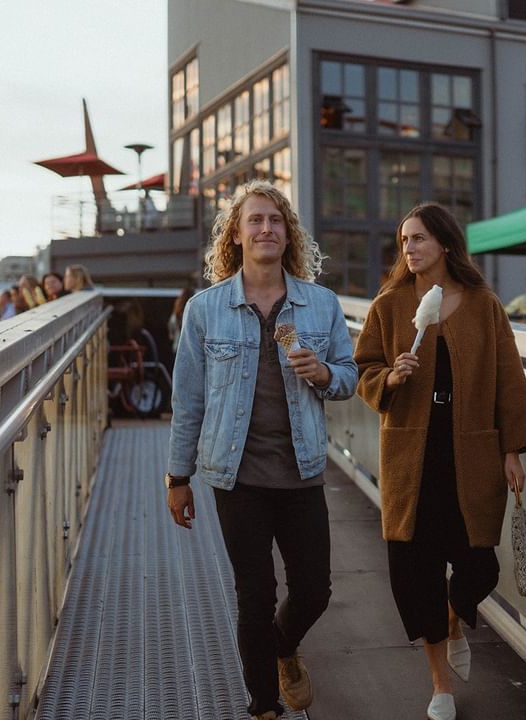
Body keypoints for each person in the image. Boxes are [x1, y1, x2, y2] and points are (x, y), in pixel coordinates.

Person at [165, 180, 357, 720]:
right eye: (255, 220)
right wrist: (177, 477)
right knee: (254, 595)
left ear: (287, 232)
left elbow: (349, 377)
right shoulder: (206, 310)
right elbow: (188, 400)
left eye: (275, 219)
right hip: (237, 477)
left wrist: (323, 372)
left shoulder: (320, 304)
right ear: (237, 233)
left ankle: (282, 647)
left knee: (314, 591)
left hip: (303, 471)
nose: (266, 228)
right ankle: (264, 707)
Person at [354, 203, 526, 720]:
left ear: (444, 243)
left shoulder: (484, 306)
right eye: (404, 241)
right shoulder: (390, 305)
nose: (409, 249)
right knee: (416, 571)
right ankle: (441, 686)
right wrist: (390, 377)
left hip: (472, 452)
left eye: (418, 239)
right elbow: (363, 368)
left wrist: (511, 451)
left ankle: (455, 616)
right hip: (411, 455)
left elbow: (509, 380)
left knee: (479, 565)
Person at [168, 286, 194, 355]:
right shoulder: (193, 312)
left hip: (177, 346)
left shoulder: (176, 314)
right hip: (190, 348)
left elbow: (171, 335)